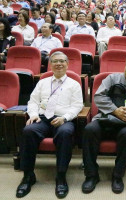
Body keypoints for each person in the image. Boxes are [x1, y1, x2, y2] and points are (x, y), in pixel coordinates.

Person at [81, 51, 126, 194]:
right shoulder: (112, 78)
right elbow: (99, 97)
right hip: (105, 119)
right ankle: (91, 175)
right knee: (89, 130)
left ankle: (117, 175)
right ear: (125, 64)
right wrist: (115, 110)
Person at [15, 51, 83, 199]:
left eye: (62, 61)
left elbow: (77, 106)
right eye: (55, 61)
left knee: (65, 133)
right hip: (42, 119)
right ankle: (28, 176)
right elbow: (33, 101)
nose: (58, 64)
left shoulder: (74, 84)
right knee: (28, 131)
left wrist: (64, 118)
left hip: (62, 119)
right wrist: (33, 115)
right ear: (50, 65)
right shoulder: (42, 82)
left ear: (67, 64)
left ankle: (61, 176)